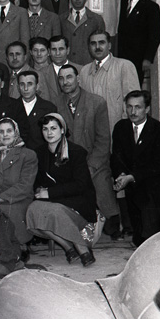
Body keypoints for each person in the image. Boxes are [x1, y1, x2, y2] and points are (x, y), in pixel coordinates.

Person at [56, 64, 120, 240]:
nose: (65, 82)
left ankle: (112, 220)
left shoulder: (97, 102)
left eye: (69, 77)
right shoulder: (55, 104)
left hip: (94, 160)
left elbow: (103, 140)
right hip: (68, 161)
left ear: (78, 79)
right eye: (61, 78)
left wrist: (91, 165)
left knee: (100, 182)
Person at [26, 113, 97, 266]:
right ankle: (68, 247)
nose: (49, 133)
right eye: (45, 129)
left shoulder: (76, 152)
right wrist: (39, 190)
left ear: (63, 130)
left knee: (55, 211)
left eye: (53, 128)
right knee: (32, 210)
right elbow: (36, 181)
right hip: (52, 202)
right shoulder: (39, 153)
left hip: (78, 203)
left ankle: (82, 248)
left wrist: (50, 193)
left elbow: (81, 185)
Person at [111, 91, 160, 247]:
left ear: (147, 109)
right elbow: (116, 157)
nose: (133, 112)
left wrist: (131, 177)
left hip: (159, 176)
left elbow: (159, 164)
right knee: (139, 207)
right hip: (132, 177)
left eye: (138, 107)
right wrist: (121, 175)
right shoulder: (121, 127)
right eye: (129, 107)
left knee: (148, 191)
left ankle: (149, 241)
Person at [0, 117, 38, 251]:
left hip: (18, 198)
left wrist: (1, 198)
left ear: (16, 132)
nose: (5, 135)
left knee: (8, 211)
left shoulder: (27, 155)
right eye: (1, 132)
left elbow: (25, 185)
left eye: (9, 131)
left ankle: (19, 246)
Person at [79, 30, 140, 135]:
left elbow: (134, 102)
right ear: (89, 47)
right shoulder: (84, 71)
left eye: (101, 42)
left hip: (117, 130)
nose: (97, 47)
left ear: (109, 45)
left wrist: (124, 128)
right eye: (93, 43)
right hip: (92, 132)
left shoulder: (124, 66)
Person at [117, 0, 160, 83]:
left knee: (134, 86)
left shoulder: (151, 7)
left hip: (138, 57)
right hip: (119, 55)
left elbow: (155, 35)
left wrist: (148, 58)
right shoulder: (119, 3)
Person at [60, 0, 105, 65]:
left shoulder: (96, 19)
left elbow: (102, 45)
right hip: (67, 65)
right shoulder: (61, 19)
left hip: (89, 64)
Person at [17, 70, 57, 152]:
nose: (25, 88)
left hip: (42, 154)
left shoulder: (49, 108)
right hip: (17, 155)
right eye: (22, 84)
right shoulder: (11, 107)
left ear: (37, 87)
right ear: (18, 87)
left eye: (30, 84)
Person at [28, 36, 58, 104]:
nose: (39, 54)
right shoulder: (28, 73)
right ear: (31, 52)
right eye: (35, 50)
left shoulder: (56, 71)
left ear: (48, 52)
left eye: (42, 50)